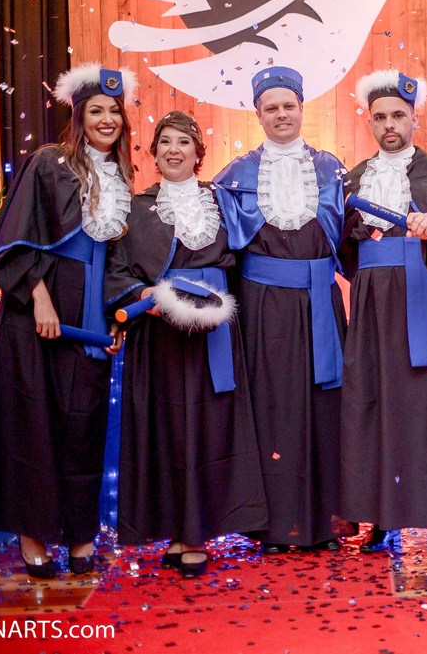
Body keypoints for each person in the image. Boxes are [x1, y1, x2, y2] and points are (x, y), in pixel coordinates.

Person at [0, 63, 133, 578]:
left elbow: (118, 260)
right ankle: (33, 535)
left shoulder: (124, 178)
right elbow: (10, 240)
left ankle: (81, 536)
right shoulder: (47, 162)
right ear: (78, 116)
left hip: (90, 319)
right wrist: (39, 297)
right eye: (96, 111)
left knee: (84, 425)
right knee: (33, 425)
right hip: (37, 313)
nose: (106, 120)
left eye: (114, 112)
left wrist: (117, 315)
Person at [106, 111, 268, 578]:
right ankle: (176, 531)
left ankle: (196, 535)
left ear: (198, 152)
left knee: (211, 428)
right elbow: (117, 271)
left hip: (215, 331)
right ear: (153, 153)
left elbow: (247, 261)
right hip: (159, 333)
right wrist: (141, 296)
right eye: (165, 142)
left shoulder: (223, 202)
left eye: (183, 142)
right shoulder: (135, 209)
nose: (173, 150)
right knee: (168, 431)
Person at [338, 70, 427, 557]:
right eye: (380, 117)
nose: (389, 125)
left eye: (398, 115)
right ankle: (382, 517)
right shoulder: (353, 180)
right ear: (369, 122)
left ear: (414, 119)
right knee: (375, 404)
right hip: (373, 308)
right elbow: (342, 247)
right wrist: (374, 273)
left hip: (425, 301)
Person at [213, 66, 349, 552]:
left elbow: (352, 239)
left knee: (323, 406)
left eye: (288, 105)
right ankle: (273, 526)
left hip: (320, 300)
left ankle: (322, 523)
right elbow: (220, 251)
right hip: (262, 306)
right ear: (258, 115)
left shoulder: (333, 170)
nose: (281, 114)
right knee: (271, 409)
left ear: (302, 108)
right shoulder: (234, 177)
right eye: (271, 108)